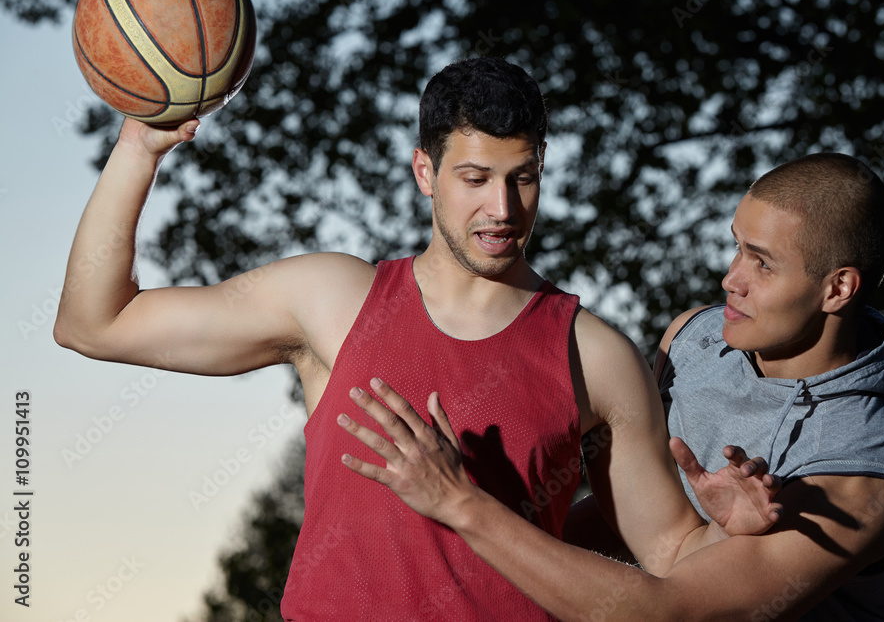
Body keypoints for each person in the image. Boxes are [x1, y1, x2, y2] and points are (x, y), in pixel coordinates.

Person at [54, 56, 779, 620]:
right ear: (424, 172)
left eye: (523, 178)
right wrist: (139, 148)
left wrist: (727, 532)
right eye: (475, 178)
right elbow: (93, 323)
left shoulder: (595, 356)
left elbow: (669, 552)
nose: (503, 208)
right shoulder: (333, 298)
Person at [339, 152, 884, 620]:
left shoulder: (859, 479)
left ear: (837, 289)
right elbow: (626, 520)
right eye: (736, 247)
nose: (731, 279)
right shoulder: (695, 339)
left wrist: (460, 503)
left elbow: (668, 612)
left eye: (762, 262)